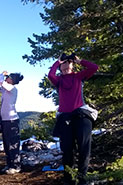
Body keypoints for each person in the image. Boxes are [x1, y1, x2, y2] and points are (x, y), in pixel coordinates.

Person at [48, 53, 98, 185]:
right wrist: (57, 62)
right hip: (65, 117)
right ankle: (69, 178)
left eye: (68, 63)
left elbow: (94, 67)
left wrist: (80, 60)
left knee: (84, 148)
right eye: (64, 64)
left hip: (81, 116)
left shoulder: (78, 76)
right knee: (67, 149)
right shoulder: (58, 80)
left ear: (72, 65)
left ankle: (82, 178)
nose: (66, 65)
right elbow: (50, 75)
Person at [0, 71, 24, 175]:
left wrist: (2, 74)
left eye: (9, 77)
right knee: (6, 144)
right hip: (5, 120)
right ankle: (9, 164)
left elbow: (1, 83)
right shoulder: (5, 90)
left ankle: (16, 166)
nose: (7, 78)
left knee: (13, 144)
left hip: (12, 120)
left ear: (13, 80)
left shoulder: (12, 89)